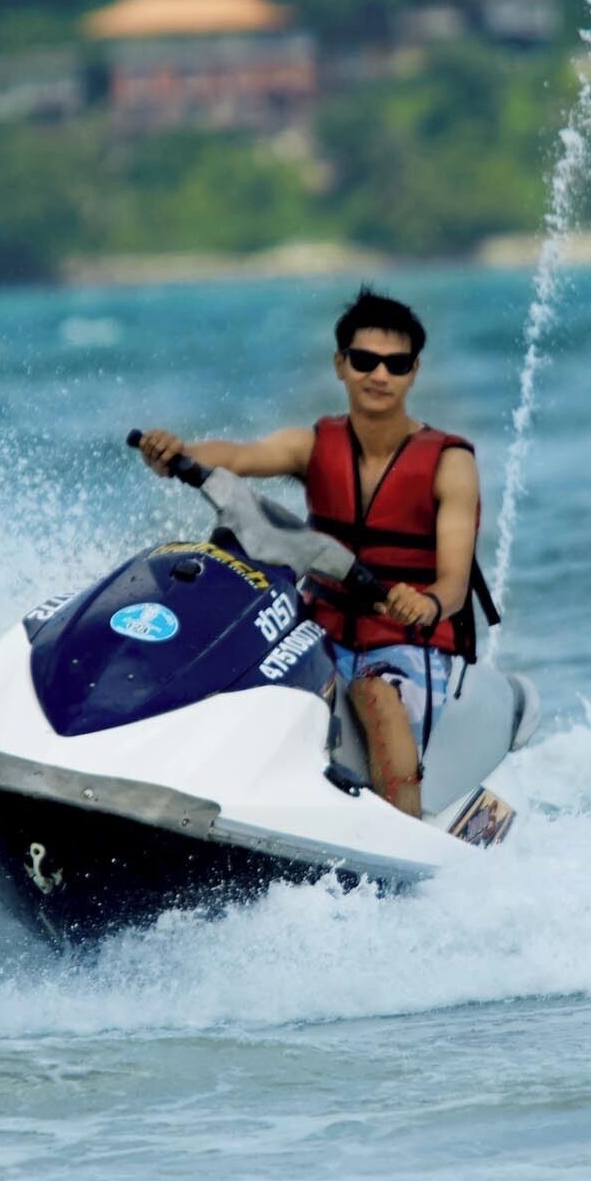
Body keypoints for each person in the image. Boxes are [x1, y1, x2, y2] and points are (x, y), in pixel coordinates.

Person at [134, 290, 484, 818]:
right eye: (364, 360)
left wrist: (427, 603)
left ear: (413, 372)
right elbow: (239, 456)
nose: (379, 375)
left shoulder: (450, 464)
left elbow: (454, 584)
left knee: (375, 697)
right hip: (319, 631)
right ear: (341, 364)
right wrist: (178, 454)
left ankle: (403, 830)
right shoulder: (313, 445)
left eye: (396, 364)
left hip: (405, 643)